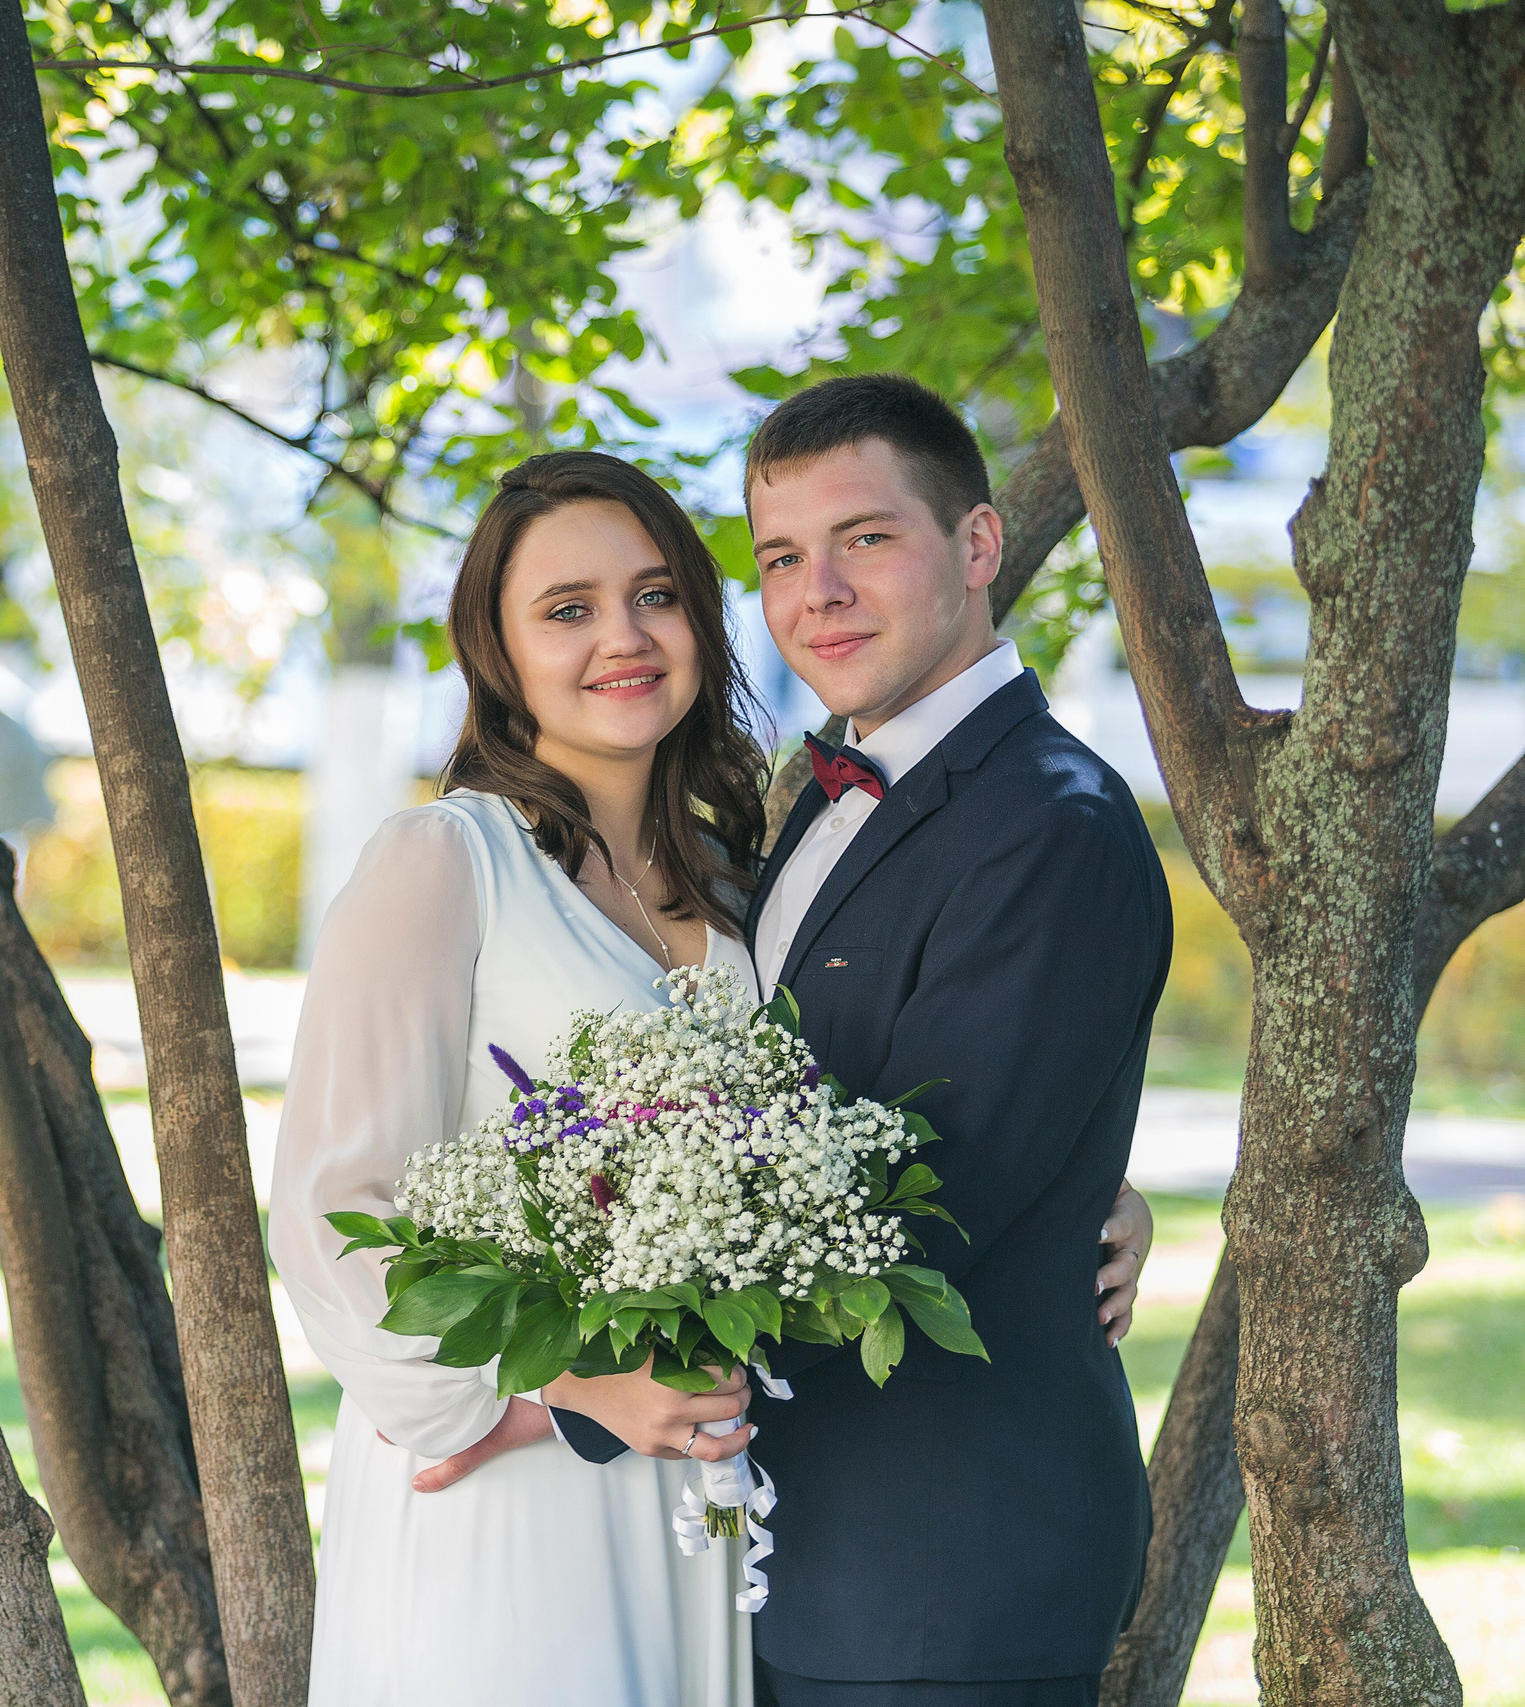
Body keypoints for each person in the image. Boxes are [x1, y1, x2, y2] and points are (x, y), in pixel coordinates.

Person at [533, 374, 1172, 1707]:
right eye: (780, 557)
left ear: (979, 545)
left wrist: (587, 1377)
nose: (816, 590)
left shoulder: (1052, 826)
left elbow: (922, 1210)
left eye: (867, 538)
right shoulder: (816, 797)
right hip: (794, 1553)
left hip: (943, 1576)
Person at [270, 451, 774, 1705]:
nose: (625, 636)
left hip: (707, 1479)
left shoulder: (740, 888)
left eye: (656, 597)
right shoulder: (445, 861)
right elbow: (332, 1208)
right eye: (568, 609)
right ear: (494, 651)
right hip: (516, 1475)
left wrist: (1110, 1202)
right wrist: (556, 1394)